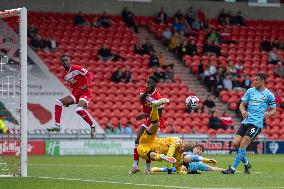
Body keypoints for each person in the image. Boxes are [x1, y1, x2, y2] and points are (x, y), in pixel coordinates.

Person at [222, 73, 277, 174]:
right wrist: (243, 111)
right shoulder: (250, 91)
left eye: (256, 80)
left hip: (256, 124)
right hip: (246, 121)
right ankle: (247, 163)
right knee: (235, 143)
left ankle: (232, 169)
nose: (254, 82)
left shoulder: (269, 94)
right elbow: (242, 104)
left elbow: (274, 109)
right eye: (254, 80)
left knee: (243, 144)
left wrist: (269, 114)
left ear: (262, 81)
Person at [137, 97, 194, 174]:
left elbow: (179, 171)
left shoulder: (179, 155)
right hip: (151, 140)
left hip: (144, 148)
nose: (183, 148)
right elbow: (170, 152)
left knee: (153, 155)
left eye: (185, 149)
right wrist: (169, 169)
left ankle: (161, 157)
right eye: (184, 146)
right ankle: (154, 107)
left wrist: (191, 172)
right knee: (156, 124)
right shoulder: (178, 141)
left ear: (186, 151)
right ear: (183, 142)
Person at [47, 55, 96, 137]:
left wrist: (87, 85)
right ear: (61, 63)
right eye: (63, 61)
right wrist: (69, 102)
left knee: (79, 110)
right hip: (76, 94)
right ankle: (57, 126)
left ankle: (92, 125)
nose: (65, 62)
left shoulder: (76, 68)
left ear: (69, 60)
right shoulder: (65, 76)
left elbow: (89, 74)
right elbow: (74, 86)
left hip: (85, 92)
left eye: (66, 60)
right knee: (58, 102)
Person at [129, 76, 166, 174]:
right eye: (147, 83)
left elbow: (160, 115)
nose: (148, 85)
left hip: (155, 121)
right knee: (137, 139)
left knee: (148, 144)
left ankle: (147, 168)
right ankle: (135, 166)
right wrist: (146, 92)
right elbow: (141, 100)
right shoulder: (144, 90)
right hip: (147, 119)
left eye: (150, 83)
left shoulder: (159, 98)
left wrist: (144, 115)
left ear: (155, 84)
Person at [151, 144, 224, 174]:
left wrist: (223, 170)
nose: (198, 150)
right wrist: (208, 160)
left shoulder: (201, 164)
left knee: (184, 169)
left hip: (184, 167)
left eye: (201, 150)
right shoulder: (188, 153)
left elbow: (212, 168)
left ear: (202, 152)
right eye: (197, 148)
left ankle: (158, 169)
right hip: (179, 160)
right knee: (186, 159)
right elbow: (184, 156)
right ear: (194, 149)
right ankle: (162, 156)